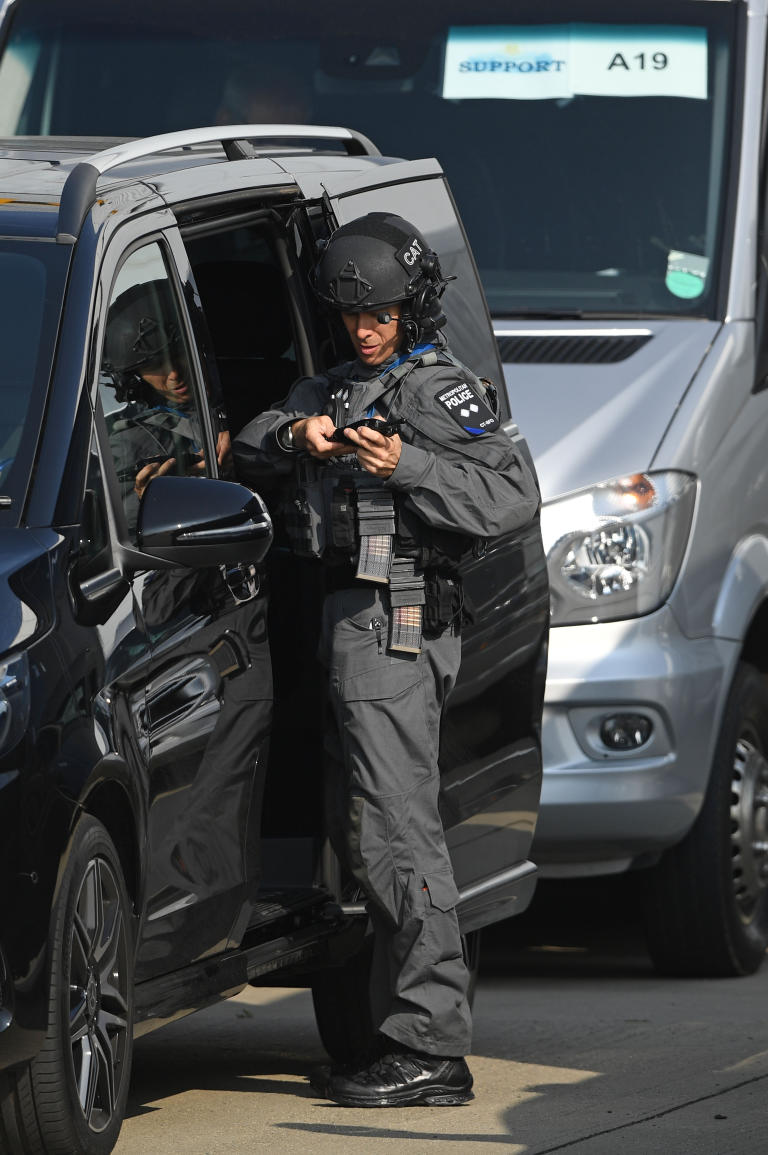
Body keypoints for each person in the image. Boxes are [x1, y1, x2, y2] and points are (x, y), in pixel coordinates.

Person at [232, 213, 540, 1108]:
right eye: (354, 317)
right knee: (363, 834)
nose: (367, 330)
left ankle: (431, 1045)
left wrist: (408, 465)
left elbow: (510, 494)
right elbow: (250, 439)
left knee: (399, 833)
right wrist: (300, 438)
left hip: (395, 621)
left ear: (413, 309)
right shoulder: (331, 387)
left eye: (383, 316)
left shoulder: (434, 392)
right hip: (343, 621)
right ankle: (388, 1033)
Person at [102, 283, 230, 533]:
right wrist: (149, 503)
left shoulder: (265, 401)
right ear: (135, 375)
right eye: (155, 364)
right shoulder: (129, 443)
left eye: (179, 353)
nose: (173, 374)